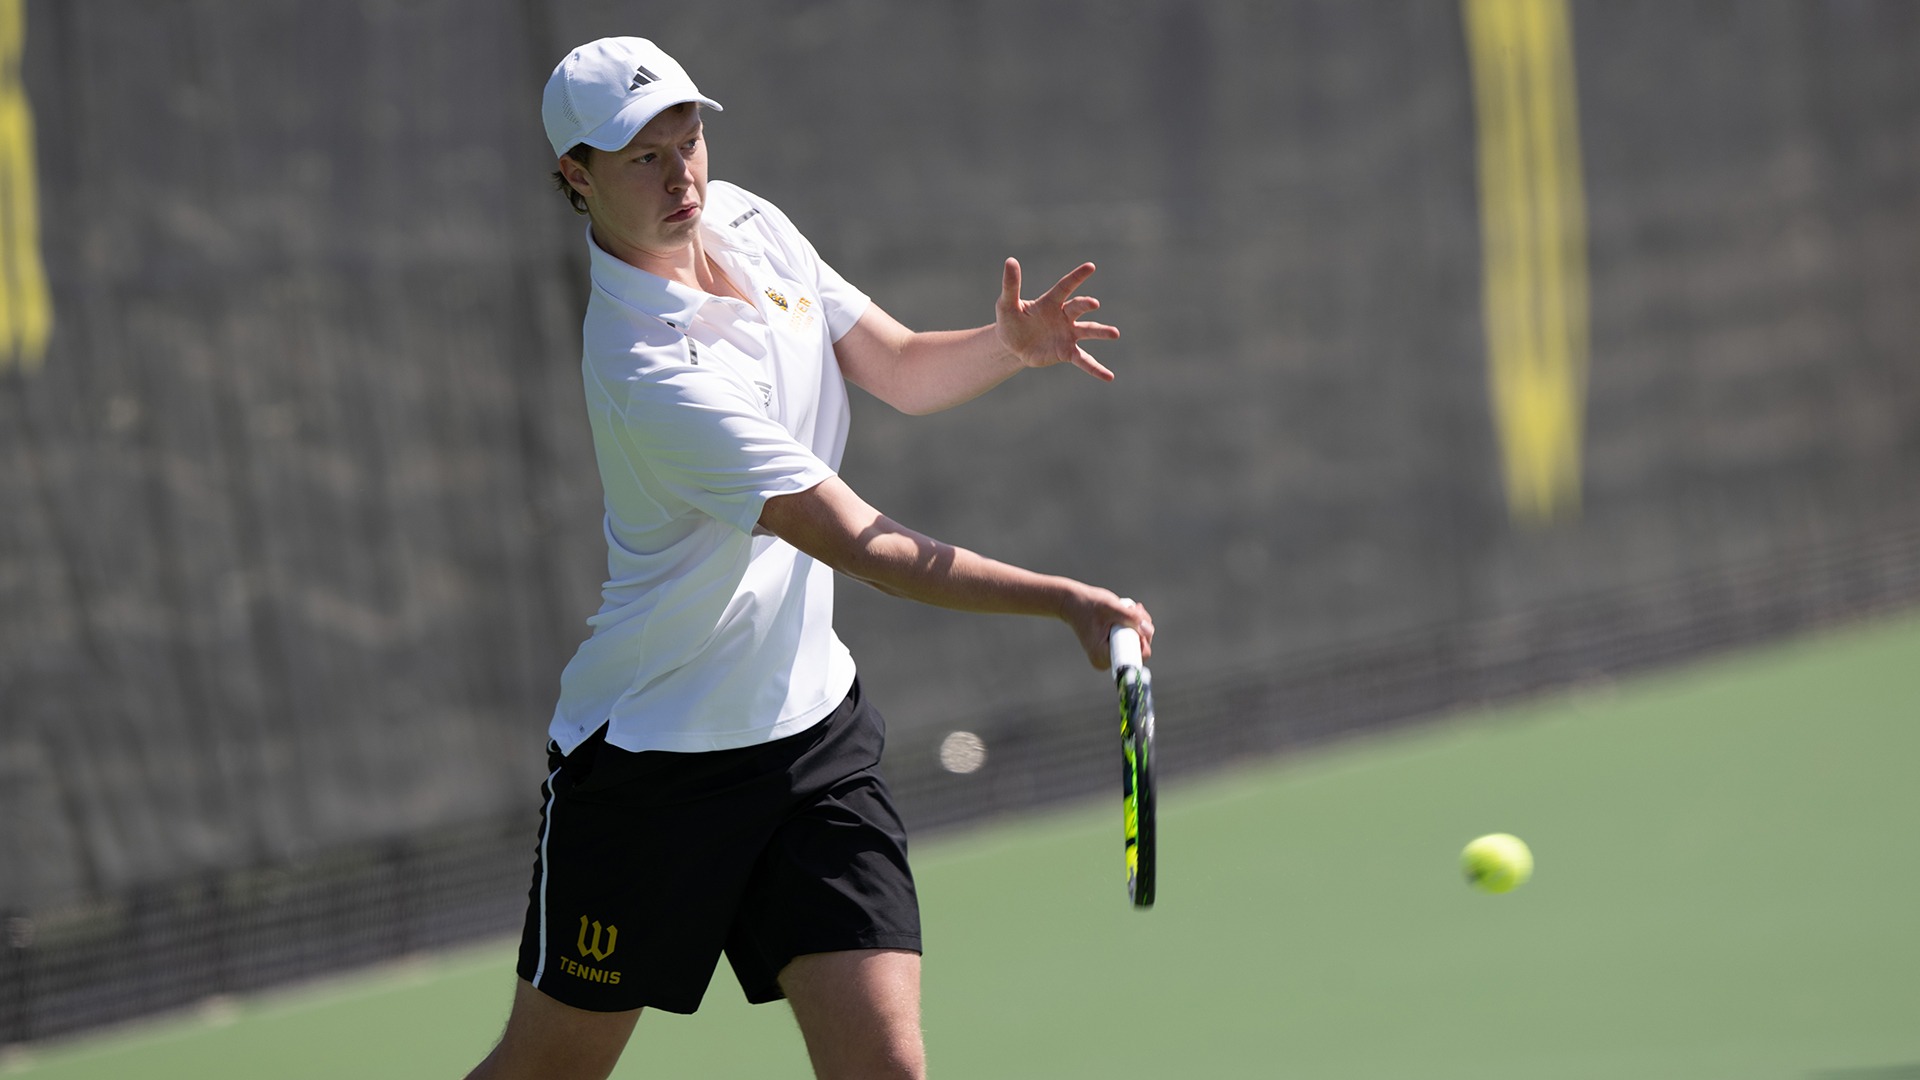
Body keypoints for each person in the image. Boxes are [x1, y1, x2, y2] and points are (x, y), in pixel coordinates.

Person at [465, 36, 1154, 1080]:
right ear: (577, 175)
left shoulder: (750, 223)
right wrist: (1064, 601)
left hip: (810, 745)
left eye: (688, 141)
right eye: (643, 158)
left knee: (887, 1067)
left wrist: (1006, 347)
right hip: (652, 768)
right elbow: (869, 547)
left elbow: (900, 367)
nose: (681, 175)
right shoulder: (652, 372)